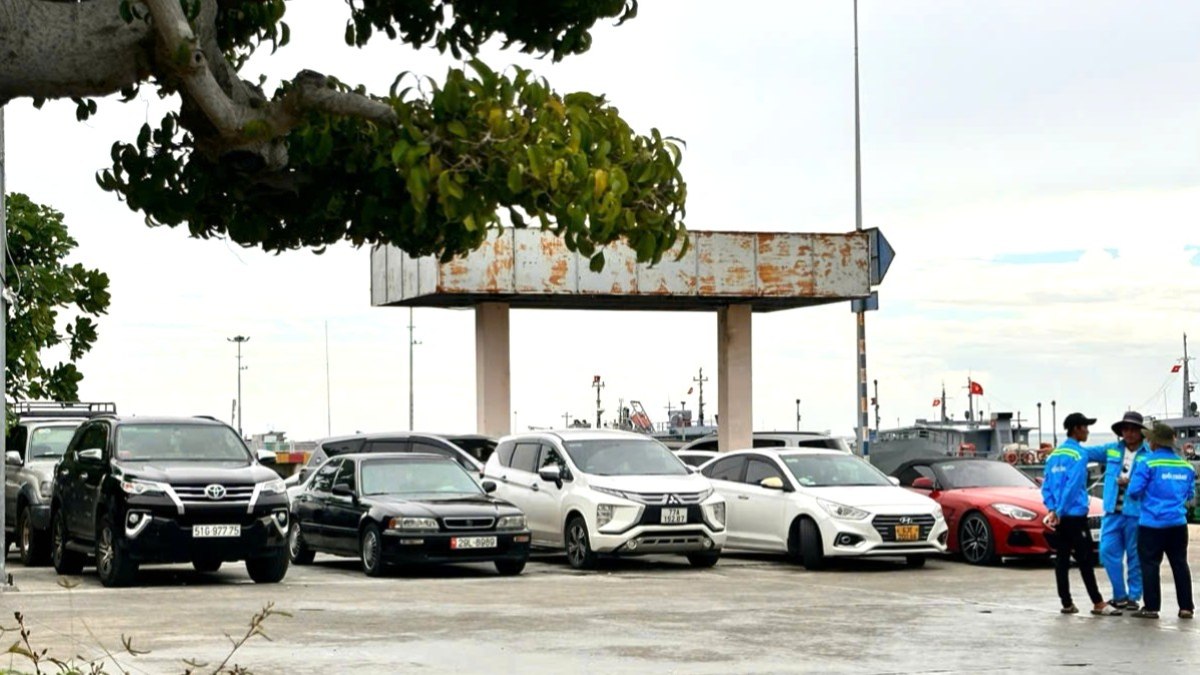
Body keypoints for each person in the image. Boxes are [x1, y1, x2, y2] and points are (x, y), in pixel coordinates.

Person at [1042, 412, 1121, 616]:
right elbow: (1074, 484)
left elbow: (1046, 487)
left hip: (1058, 517)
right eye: (1086, 427)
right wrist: (1060, 510)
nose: (1087, 431)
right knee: (1085, 559)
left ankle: (1066, 602)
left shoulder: (1053, 456)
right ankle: (1097, 602)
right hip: (1074, 515)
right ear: (1076, 428)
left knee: (1062, 559)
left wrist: (1052, 510)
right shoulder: (1079, 455)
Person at [1126, 422, 1195, 620]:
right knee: (1180, 563)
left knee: (1150, 564)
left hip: (1151, 524)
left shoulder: (1147, 463)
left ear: (1154, 442)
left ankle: (1152, 607)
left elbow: (1134, 491)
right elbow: (1190, 494)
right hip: (1177, 523)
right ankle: (1186, 607)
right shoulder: (1186, 466)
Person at [1084, 411, 1151, 611]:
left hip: (1136, 512)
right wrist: (1065, 451)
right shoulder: (1111, 450)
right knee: (1106, 552)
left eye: (1132, 429)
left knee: (1134, 556)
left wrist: (1132, 483)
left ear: (1140, 432)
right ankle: (1119, 595)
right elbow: (1086, 453)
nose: (1128, 433)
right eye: (1125, 429)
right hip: (1112, 511)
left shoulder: (1149, 455)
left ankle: (1133, 597)